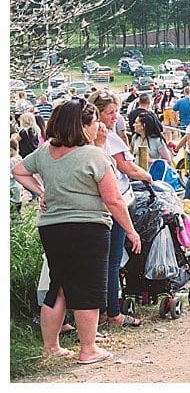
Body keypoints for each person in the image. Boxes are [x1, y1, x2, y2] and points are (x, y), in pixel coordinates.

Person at [12, 99, 142, 364]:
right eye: (95, 122)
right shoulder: (94, 156)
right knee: (88, 288)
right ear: (82, 126)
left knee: (56, 286)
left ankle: (51, 347)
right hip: (88, 228)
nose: (98, 128)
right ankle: (88, 349)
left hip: (51, 227)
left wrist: (42, 192)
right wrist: (131, 231)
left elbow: (18, 170)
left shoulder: (46, 152)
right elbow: (114, 200)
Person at [88, 90, 150, 328]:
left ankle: (101, 307)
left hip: (97, 207)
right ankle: (113, 311)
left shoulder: (86, 140)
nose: (115, 116)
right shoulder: (106, 142)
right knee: (113, 261)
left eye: (117, 112)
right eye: (110, 112)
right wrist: (149, 178)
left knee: (102, 261)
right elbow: (126, 169)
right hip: (116, 203)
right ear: (98, 114)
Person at [10, 138, 23, 215]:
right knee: (18, 200)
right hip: (18, 184)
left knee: (14, 202)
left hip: (12, 185)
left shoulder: (11, 161)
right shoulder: (19, 158)